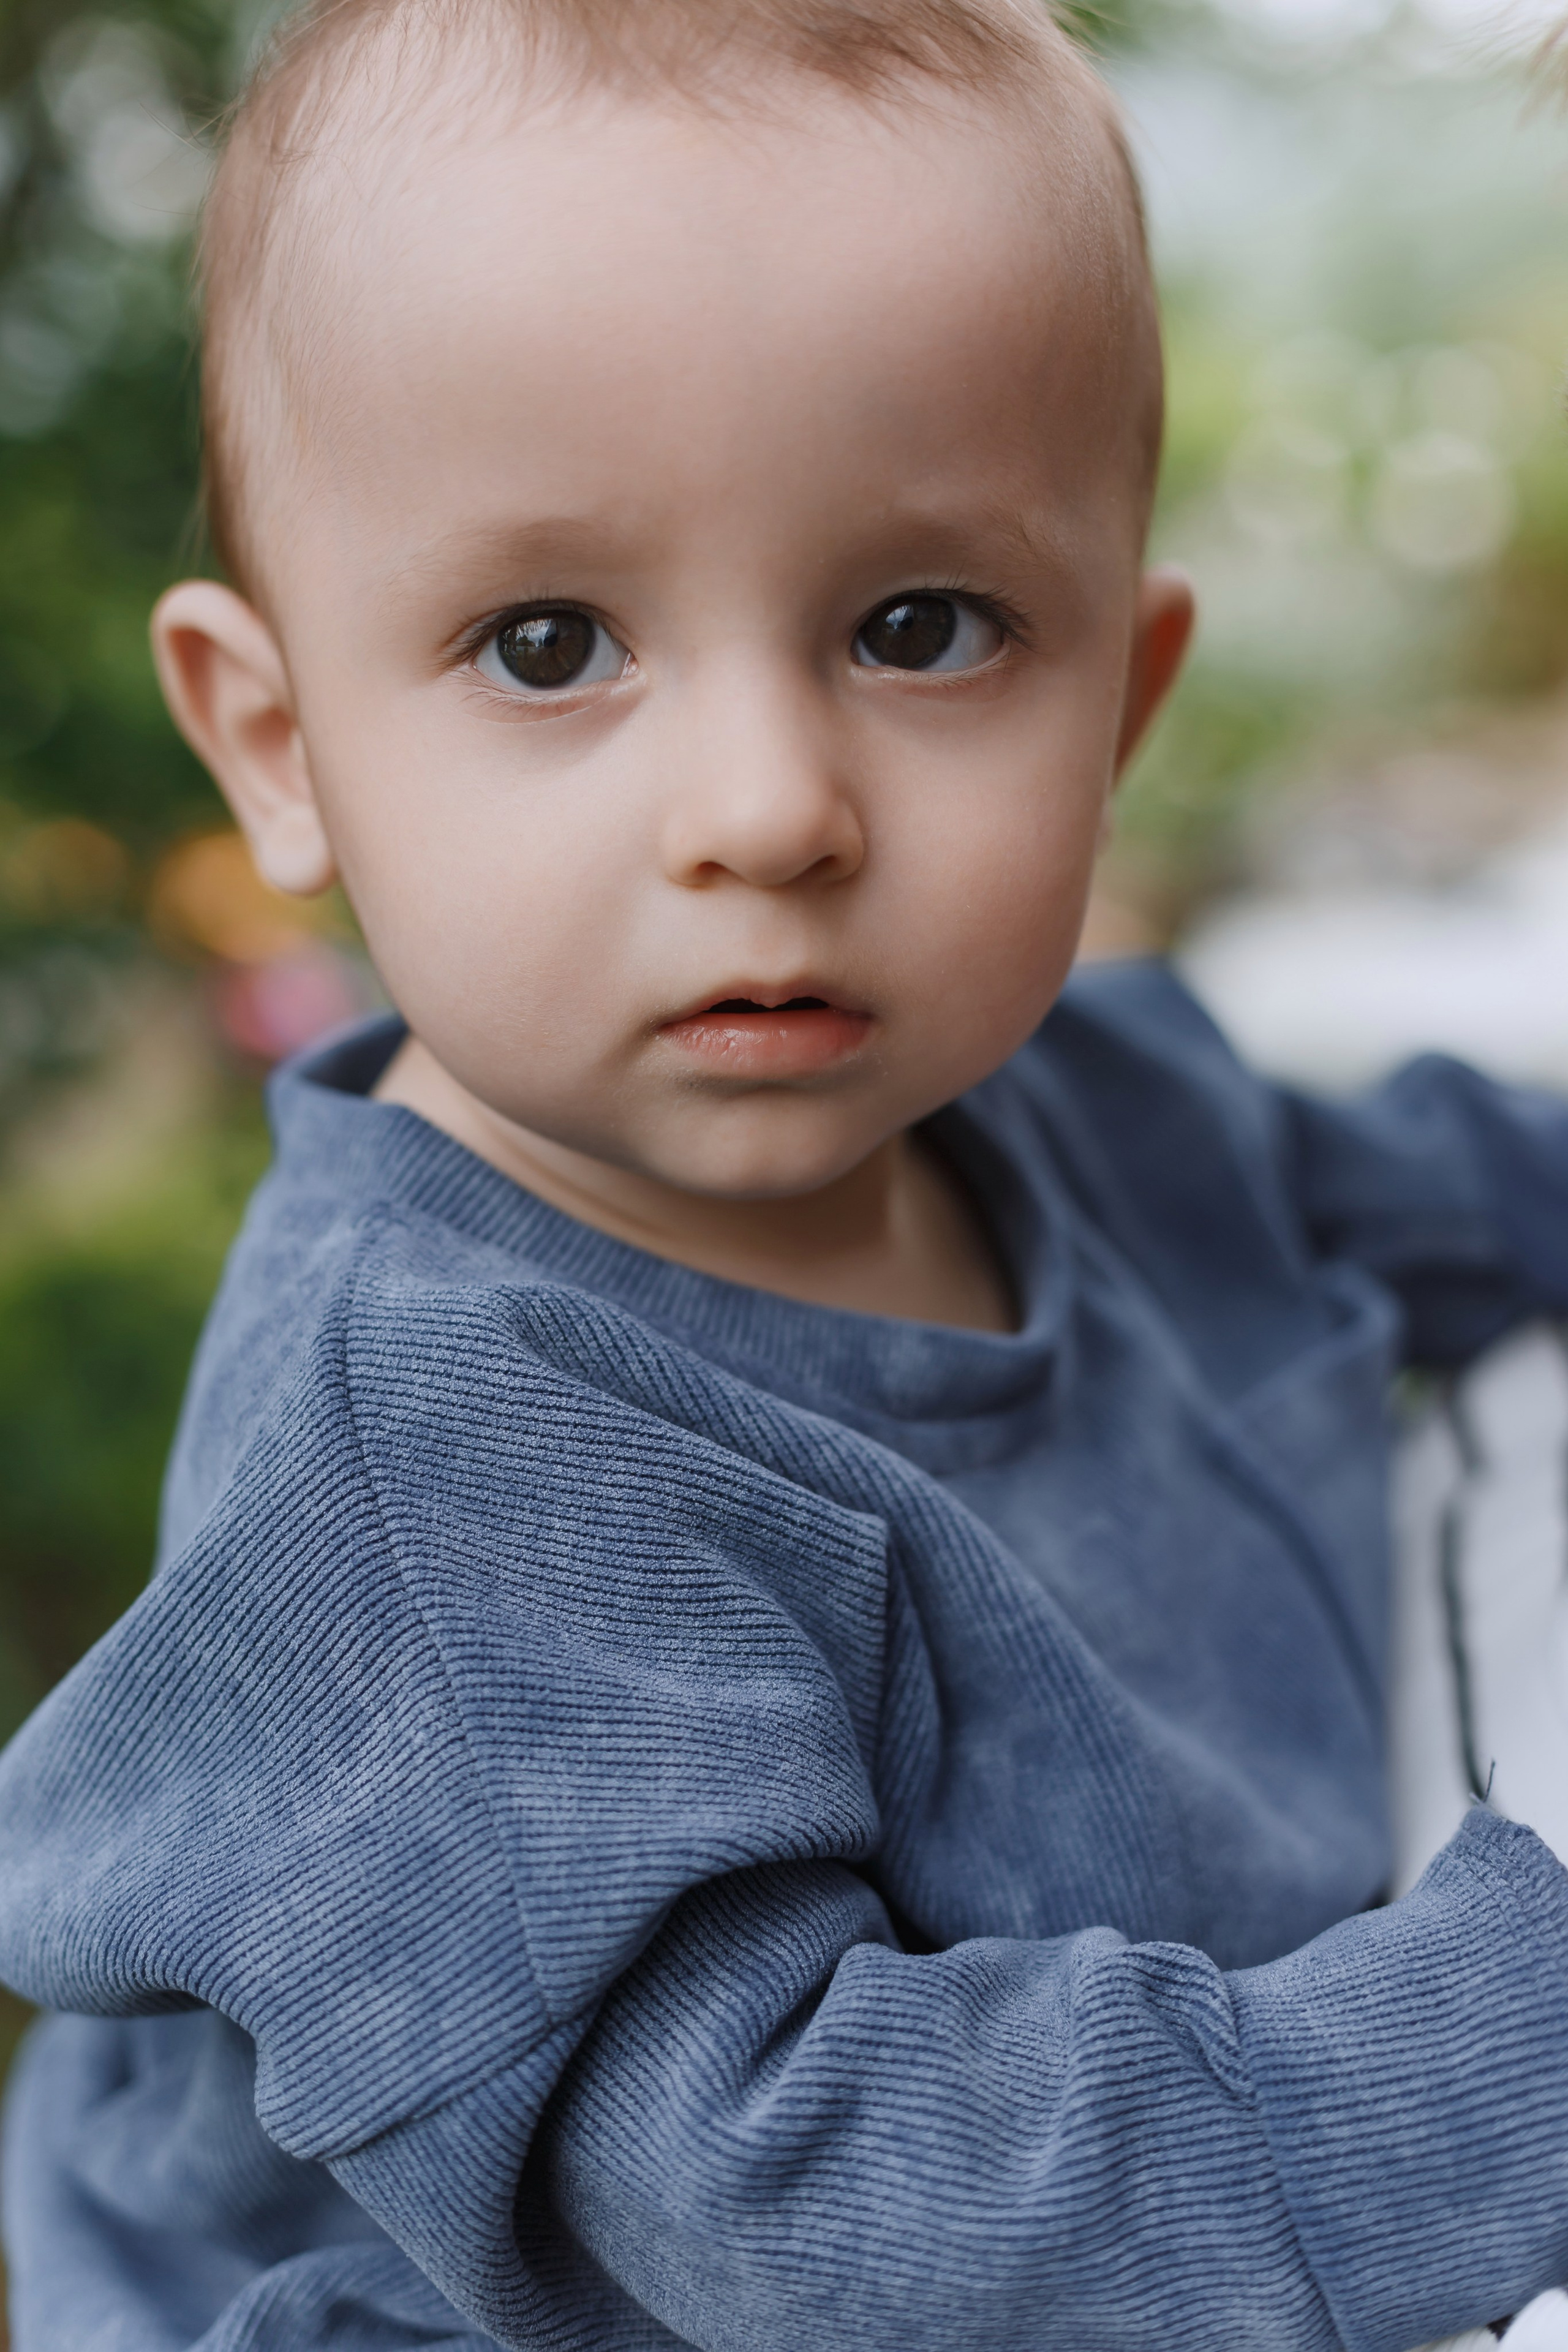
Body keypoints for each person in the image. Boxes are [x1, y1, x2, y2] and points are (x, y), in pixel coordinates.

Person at [4, 2, 1568, 2345]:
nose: (768, 805)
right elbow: (837, 2213)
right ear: (281, 744)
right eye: (550, 644)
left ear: (1119, 709)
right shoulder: (441, 1472)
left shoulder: (1108, 1115)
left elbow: (1463, 1180)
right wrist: (1514, 2042)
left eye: (921, 628)